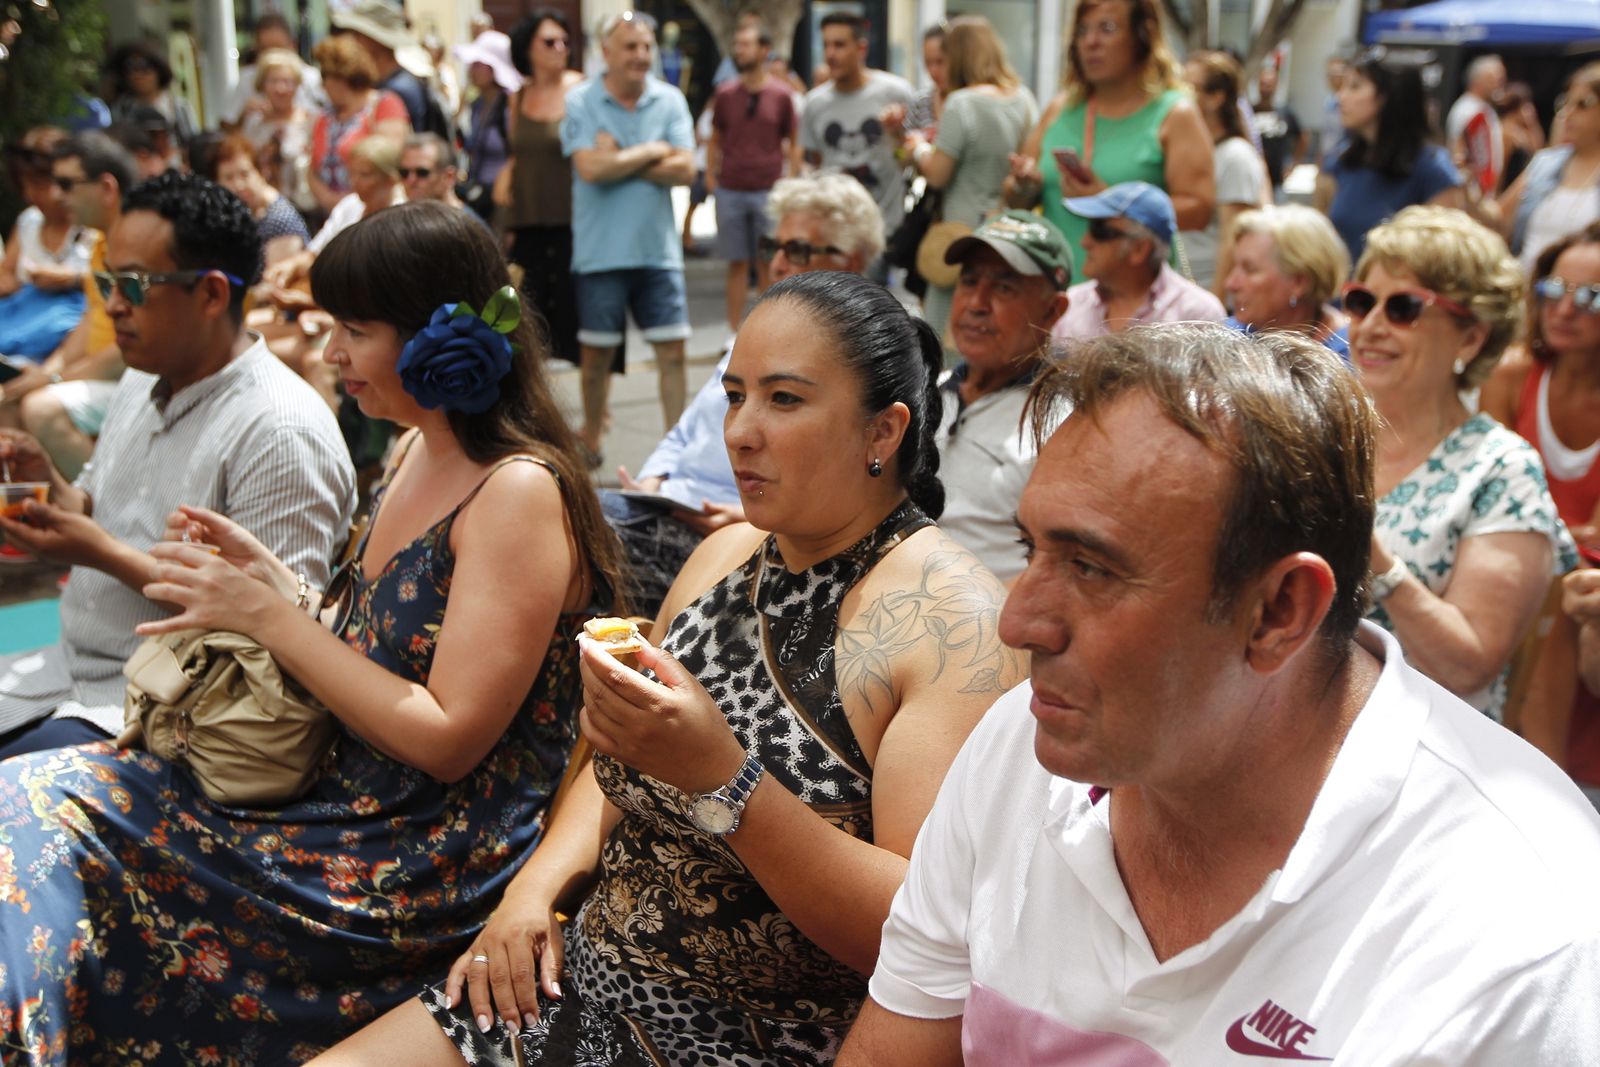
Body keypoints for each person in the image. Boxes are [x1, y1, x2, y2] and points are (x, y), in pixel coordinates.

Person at [834, 321, 1600, 1066]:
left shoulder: (1520, 926)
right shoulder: (1017, 748)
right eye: (1032, 549)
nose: (1017, 620)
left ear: (1278, 611)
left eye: (1091, 568)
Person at [314, 268, 1023, 1067]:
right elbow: (620, 754)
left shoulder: (958, 625)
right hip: (577, 975)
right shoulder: (723, 554)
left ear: (883, 432)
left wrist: (726, 780)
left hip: (745, 1037)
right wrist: (534, 889)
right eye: (733, 395)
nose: (740, 431)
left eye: (784, 400)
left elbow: (918, 934)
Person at [0, 201, 626, 1063]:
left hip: (410, 852)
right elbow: (373, 642)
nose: (330, 353)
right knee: (28, 802)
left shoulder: (516, 490)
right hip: (337, 798)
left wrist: (265, 616)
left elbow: (446, 738)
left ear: (433, 337)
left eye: (353, 330)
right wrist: (276, 584)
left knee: (38, 821)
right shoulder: (414, 449)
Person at [0, 170, 353, 759]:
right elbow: (96, 507)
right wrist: (49, 489)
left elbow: (274, 644)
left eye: (134, 285)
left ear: (212, 294)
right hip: (71, 666)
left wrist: (98, 551)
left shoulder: (281, 429)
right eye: (108, 280)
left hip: (171, 715)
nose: (113, 306)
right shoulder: (144, 377)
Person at [604, 172, 885, 618]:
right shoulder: (756, 334)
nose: (777, 263)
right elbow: (683, 431)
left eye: (795, 250)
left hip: (740, 534)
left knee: (557, 525)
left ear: (847, 261)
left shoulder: (867, 357)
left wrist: (748, 517)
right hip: (666, 506)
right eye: (773, 247)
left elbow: (859, 493)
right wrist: (653, 482)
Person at [1349, 205, 1573, 721]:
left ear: (1471, 338)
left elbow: (1470, 664)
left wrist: (1373, 556)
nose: (1371, 326)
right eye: (1362, 303)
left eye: (1403, 308)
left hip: (1428, 754)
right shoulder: (1321, 434)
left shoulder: (1501, 470)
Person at [1480, 221, 1600, 797]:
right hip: (1521, 570)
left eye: (1591, 297)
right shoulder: (1513, 374)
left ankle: (1548, 792)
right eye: (1554, 289)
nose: (1566, 310)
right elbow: (1488, 496)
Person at [563, 10, 695, 461]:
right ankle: (593, 440)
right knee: (596, 357)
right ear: (607, 53)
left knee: (673, 354)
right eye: (630, 47)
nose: (641, 56)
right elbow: (589, 168)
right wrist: (656, 150)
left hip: (658, 252)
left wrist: (622, 157)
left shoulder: (670, 99)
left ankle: (675, 449)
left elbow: (687, 169)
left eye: (645, 47)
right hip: (600, 252)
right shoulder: (582, 100)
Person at [1002, 0, 1213, 279]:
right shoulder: (1060, 109)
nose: (1091, 41)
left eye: (1107, 28)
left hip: (1135, 304)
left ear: (1142, 35)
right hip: (1058, 294)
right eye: (1082, 30)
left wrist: (1112, 201)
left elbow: (1199, 210)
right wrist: (1023, 186)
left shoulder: (1174, 113)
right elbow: (1016, 198)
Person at [936, 211, 1069, 582]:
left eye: (1004, 288)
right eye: (969, 281)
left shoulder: (1064, 423)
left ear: (1053, 310)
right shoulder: (926, 392)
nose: (976, 303)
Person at [0, 133, 135, 482]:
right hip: (104, 375)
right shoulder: (102, 242)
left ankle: (105, 513)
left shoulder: (136, 243)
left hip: (141, 380)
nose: (58, 195)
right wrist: (47, 373)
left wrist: (54, 377)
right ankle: (29, 523)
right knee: (12, 403)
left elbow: (129, 351)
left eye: (66, 184)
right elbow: (92, 320)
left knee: (40, 408)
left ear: (107, 187)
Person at [900, 16, 1038, 351]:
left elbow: (937, 173)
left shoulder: (961, 104)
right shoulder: (1023, 99)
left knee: (942, 331)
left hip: (957, 234)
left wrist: (917, 148)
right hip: (1003, 228)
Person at [1316, 49, 1464, 264]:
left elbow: (1441, 259)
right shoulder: (1340, 162)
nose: (1340, 97)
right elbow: (1321, 243)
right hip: (1342, 294)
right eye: (1342, 87)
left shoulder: (1433, 169)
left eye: (1355, 86)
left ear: (1387, 96)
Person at [799, 12, 915, 275]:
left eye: (839, 45)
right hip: (834, 230)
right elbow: (816, 162)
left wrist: (897, 134)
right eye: (826, 44)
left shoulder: (896, 92)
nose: (830, 54)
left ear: (861, 48)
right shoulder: (814, 103)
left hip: (882, 224)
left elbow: (910, 158)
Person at [499, 10, 583, 368]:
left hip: (573, 216)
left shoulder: (581, 89)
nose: (559, 48)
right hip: (529, 215)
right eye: (549, 41)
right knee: (530, 312)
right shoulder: (517, 97)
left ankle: (595, 412)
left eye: (564, 40)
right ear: (527, 48)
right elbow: (517, 152)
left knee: (574, 311)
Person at [707, 20, 798, 333]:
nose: (739, 51)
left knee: (768, 264)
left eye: (746, 45)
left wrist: (793, 181)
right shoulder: (725, 93)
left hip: (768, 192)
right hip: (731, 188)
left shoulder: (782, 94)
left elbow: (794, 140)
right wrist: (710, 177)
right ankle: (733, 335)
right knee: (735, 263)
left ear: (764, 50)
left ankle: (765, 332)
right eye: (737, 45)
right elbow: (714, 137)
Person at [1051, 181, 1225, 342]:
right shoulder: (1071, 304)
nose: (1085, 242)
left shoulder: (1195, 314)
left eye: (1100, 231)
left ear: (1140, 249)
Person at [1493, 63, 1600, 274]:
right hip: (1528, 295)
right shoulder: (1545, 163)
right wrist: (1466, 189)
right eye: (1565, 103)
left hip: (1580, 302)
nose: (1568, 113)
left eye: (1583, 104)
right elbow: (1498, 220)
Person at [0, 127, 92, 361]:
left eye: (39, 185)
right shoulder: (28, 221)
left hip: (74, 347)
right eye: (24, 185)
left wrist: (73, 279)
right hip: (23, 337)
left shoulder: (92, 224)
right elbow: (7, 278)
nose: (30, 195)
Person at [1182, 50, 1266, 296]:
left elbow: (1233, 239)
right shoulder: (1193, 152)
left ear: (1216, 97)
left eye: (1188, 86)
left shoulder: (1235, 156)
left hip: (1207, 293)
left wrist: (1216, 306)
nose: (1178, 95)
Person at [1223, 204, 1351, 359]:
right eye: (1234, 266)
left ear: (1299, 282)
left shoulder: (1349, 356)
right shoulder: (1228, 337)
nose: (1230, 284)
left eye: (1250, 270)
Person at [309, 32, 411, 215]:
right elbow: (312, 166)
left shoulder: (384, 105)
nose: (323, 85)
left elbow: (386, 163)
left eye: (326, 76)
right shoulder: (325, 116)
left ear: (342, 77)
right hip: (332, 215)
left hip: (373, 211)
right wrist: (329, 200)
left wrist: (350, 203)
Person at [332, 0, 437, 137]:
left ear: (373, 40)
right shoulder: (392, 82)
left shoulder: (399, 89)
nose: (352, 41)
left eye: (357, 35)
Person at [207, 132, 310, 267]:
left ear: (260, 174)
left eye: (245, 174)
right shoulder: (229, 213)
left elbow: (275, 283)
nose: (239, 185)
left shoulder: (280, 220)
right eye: (228, 177)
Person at [237, 47, 317, 214]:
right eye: (273, 81)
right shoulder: (253, 125)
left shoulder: (312, 122)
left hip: (305, 208)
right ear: (262, 85)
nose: (280, 89)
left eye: (288, 81)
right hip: (263, 209)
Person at [453, 29, 521, 222]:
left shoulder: (510, 105)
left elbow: (517, 152)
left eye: (478, 64)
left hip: (502, 200)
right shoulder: (477, 105)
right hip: (478, 196)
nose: (471, 70)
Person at [223, 12, 326, 125]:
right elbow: (227, 124)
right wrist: (242, 117)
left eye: (278, 48)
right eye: (265, 49)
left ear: (292, 45)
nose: (272, 56)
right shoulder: (247, 78)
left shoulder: (312, 77)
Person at [106, 40, 199, 147]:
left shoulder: (179, 108)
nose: (137, 73)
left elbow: (193, 146)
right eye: (130, 66)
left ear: (159, 69)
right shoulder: (119, 110)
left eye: (144, 66)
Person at [1446, 54, 1507, 198]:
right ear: (1478, 80)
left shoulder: (1484, 107)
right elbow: (1458, 152)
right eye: (1494, 79)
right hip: (1472, 196)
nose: (1499, 84)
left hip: (1485, 195)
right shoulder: (1467, 109)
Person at [1253, 59, 1306, 197]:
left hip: (1277, 181)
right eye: (1263, 84)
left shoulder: (1285, 112)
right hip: (1253, 179)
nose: (1265, 88)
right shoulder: (1249, 113)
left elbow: (1302, 137)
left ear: (1276, 86)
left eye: (1269, 84)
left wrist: (1293, 164)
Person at [400, 132, 476, 216]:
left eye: (422, 173)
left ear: (449, 177)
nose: (411, 180)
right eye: (404, 173)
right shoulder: (404, 219)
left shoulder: (465, 226)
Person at [903, 23, 949, 135]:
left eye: (940, 61)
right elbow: (903, 149)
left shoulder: (970, 102)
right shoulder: (921, 101)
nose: (933, 71)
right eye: (928, 62)